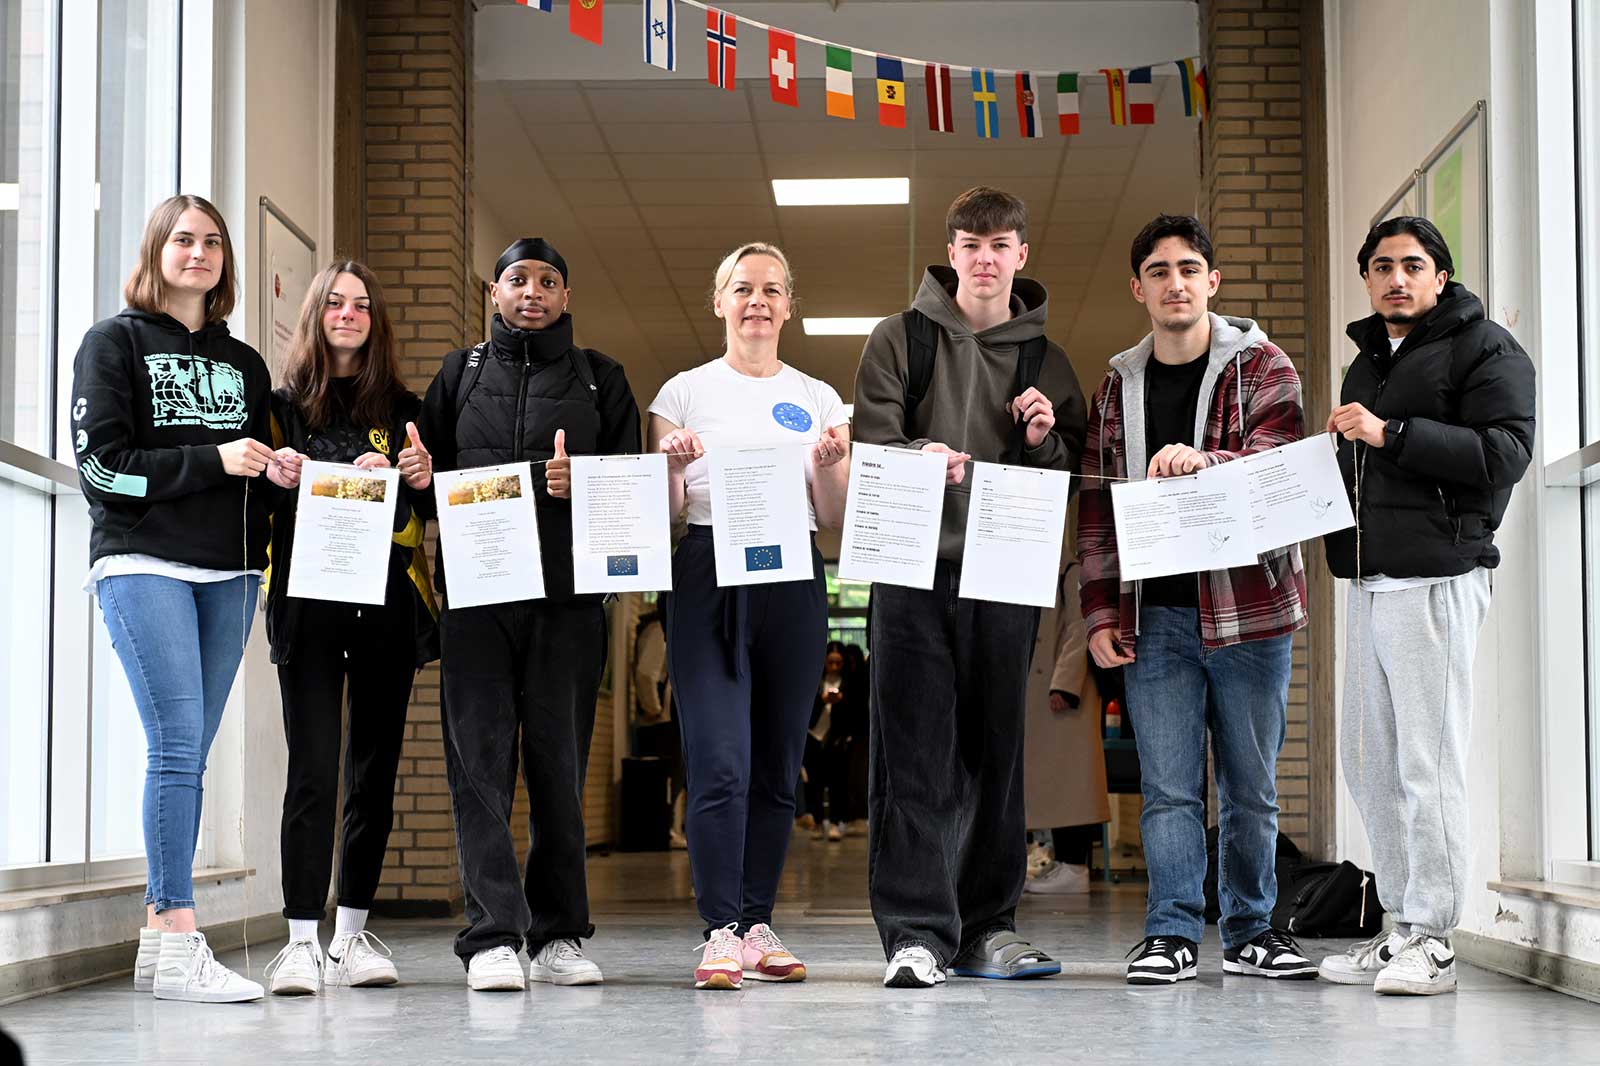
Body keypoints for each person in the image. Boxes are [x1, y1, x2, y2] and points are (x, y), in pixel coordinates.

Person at [852, 185, 1086, 988]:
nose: (985, 260)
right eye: (970, 245)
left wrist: (1040, 439)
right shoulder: (899, 339)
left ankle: (989, 926)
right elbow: (872, 443)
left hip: (1004, 573)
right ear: (950, 253)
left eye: (1001, 246)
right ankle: (916, 934)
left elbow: (1069, 474)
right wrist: (920, 454)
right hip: (911, 570)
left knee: (995, 754)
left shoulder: (1048, 362)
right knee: (913, 752)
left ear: (1021, 256)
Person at [1078, 214, 1314, 985]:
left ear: (1211, 281)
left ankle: (1251, 930)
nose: (1174, 283)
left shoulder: (1265, 365)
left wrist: (1202, 461)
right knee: (1170, 790)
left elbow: (1280, 464)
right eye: (1158, 270)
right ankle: (1171, 932)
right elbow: (1096, 509)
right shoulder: (1117, 385)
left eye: (1189, 268)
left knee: (1250, 786)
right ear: (1138, 287)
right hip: (1155, 618)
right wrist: (1100, 613)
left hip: (1250, 614)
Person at [402, 237, 641, 991]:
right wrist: (416, 478)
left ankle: (560, 934)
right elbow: (424, 484)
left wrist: (588, 480)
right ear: (495, 294)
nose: (531, 292)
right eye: (517, 280)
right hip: (476, 598)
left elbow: (632, 495)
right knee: (479, 768)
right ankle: (493, 938)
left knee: (558, 768)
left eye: (547, 281)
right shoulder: (459, 374)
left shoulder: (603, 379)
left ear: (566, 297)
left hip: (568, 604)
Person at [72, 193, 290, 1003]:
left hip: (231, 572)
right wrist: (212, 461)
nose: (198, 253)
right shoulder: (112, 343)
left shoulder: (245, 365)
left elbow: (253, 473)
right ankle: (178, 929)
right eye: (183, 240)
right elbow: (102, 468)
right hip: (143, 563)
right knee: (175, 740)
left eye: (212, 242)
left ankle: (157, 949)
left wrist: (277, 476)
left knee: (189, 751)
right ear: (156, 250)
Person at [1317, 217, 1534, 995]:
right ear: (1367, 279)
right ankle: (1400, 923)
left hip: (1438, 578)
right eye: (1381, 267)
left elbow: (1506, 453)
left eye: (1412, 265)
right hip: (1370, 580)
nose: (1396, 279)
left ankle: (1436, 939)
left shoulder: (1486, 350)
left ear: (1442, 277)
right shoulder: (1367, 363)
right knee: (1369, 761)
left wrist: (1392, 433)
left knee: (1427, 764)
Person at [648, 241, 850, 990]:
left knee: (774, 765)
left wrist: (828, 465)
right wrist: (671, 465)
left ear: (790, 305)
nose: (757, 300)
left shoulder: (821, 397)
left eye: (771, 288)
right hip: (705, 571)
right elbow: (667, 516)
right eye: (742, 288)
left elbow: (830, 517)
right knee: (721, 760)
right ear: (719, 301)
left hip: (793, 575)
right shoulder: (682, 393)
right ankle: (720, 929)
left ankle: (759, 922)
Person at [258, 261, 438, 996]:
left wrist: (415, 477)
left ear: (376, 321)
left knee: (373, 771)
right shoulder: (278, 406)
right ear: (315, 313)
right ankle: (301, 937)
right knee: (313, 770)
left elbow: (427, 515)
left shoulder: (404, 408)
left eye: (362, 304)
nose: (349, 313)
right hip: (305, 601)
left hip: (386, 604)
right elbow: (253, 507)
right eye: (335, 302)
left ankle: (354, 934)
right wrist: (277, 475)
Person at [1024, 549, 1110, 895]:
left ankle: (1074, 867)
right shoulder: (1047, 570)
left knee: (1071, 782)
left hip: (1063, 692)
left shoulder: (1070, 571)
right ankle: (1060, 861)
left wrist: (1065, 684)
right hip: (1043, 690)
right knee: (1051, 782)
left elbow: (1079, 628)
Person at [632, 604, 685, 849]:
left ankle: (670, 829)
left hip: (661, 719)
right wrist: (654, 709)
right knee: (670, 776)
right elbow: (646, 674)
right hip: (661, 721)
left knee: (674, 776)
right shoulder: (658, 630)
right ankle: (666, 830)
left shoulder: (653, 628)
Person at [804, 642, 856, 841]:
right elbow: (808, 709)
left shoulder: (848, 684)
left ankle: (835, 822)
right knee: (815, 782)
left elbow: (854, 712)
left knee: (837, 782)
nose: (834, 666)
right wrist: (822, 700)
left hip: (837, 739)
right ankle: (817, 821)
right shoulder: (816, 682)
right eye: (830, 662)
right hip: (815, 736)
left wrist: (841, 701)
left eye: (838, 662)